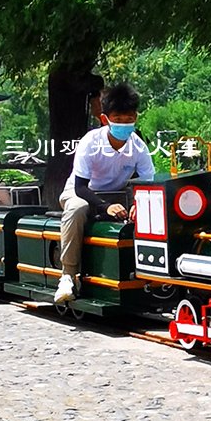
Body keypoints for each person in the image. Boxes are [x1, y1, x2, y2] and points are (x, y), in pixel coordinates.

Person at [54, 82, 155, 304]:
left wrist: (139, 205)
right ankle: (68, 275)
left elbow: (149, 182)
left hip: (117, 195)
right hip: (81, 192)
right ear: (104, 119)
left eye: (129, 119)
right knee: (78, 208)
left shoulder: (139, 146)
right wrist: (104, 206)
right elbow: (81, 186)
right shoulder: (90, 142)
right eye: (118, 120)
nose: (124, 124)